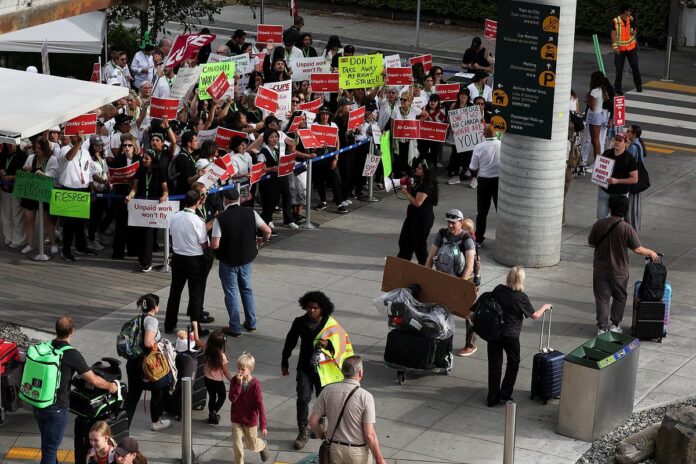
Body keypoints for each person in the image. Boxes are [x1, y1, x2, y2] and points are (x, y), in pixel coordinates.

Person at [32, 316, 118, 464]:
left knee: (47, 443)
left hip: (39, 404)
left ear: (56, 330)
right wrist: (111, 386)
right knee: (51, 448)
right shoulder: (71, 353)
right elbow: (93, 379)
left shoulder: (46, 347)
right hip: (57, 408)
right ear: (72, 331)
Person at [282, 291, 355, 450]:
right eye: (309, 307)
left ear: (322, 309)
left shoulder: (330, 324)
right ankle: (303, 432)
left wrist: (328, 344)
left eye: (315, 308)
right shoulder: (299, 322)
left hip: (324, 370)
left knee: (323, 398)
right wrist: (284, 360)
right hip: (304, 368)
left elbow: (341, 343)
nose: (312, 311)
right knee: (303, 398)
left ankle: (320, 420)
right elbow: (290, 341)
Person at [589, 195, 658, 334]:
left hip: (600, 269)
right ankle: (615, 325)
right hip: (619, 270)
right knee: (620, 297)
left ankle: (602, 328)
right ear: (625, 210)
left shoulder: (599, 224)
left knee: (602, 298)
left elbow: (591, 243)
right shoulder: (626, 228)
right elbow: (638, 249)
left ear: (609, 208)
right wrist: (651, 252)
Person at [484, 267, 552, 407]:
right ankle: (505, 394)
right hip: (511, 334)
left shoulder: (499, 289)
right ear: (521, 280)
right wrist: (545, 307)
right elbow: (534, 315)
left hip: (494, 332)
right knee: (513, 363)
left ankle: (492, 397)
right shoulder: (521, 297)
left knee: (495, 365)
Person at [210, 188, 271, 337]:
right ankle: (251, 323)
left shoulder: (220, 218)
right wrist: (262, 240)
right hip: (247, 259)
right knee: (247, 290)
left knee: (231, 293)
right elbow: (267, 230)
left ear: (225, 200)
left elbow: (215, 245)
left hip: (228, 261)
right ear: (238, 199)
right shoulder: (251, 212)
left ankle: (235, 327)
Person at [308, 356, 387, 464]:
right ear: (360, 372)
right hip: (357, 452)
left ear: (342, 371)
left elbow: (312, 421)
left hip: (333, 448)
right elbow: (369, 434)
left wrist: (322, 434)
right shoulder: (365, 397)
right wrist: (379, 459)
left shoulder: (327, 391)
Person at [424, 209, 479, 357]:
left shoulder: (467, 239)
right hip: (444, 277)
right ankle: (437, 340)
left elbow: (469, 267)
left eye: (453, 223)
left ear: (461, 222)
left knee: (468, 312)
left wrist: (459, 286)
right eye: (448, 222)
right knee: (437, 308)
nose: (450, 225)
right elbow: (431, 257)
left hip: (464, 279)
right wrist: (425, 276)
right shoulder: (442, 234)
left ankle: (471, 344)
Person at [164, 190, 210, 335]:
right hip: (194, 260)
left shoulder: (174, 217)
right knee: (195, 294)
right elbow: (203, 243)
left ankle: (169, 324)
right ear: (197, 202)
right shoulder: (198, 221)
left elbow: (173, 234)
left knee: (174, 292)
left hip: (178, 258)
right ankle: (196, 329)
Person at [123, 294, 171, 430]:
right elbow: (148, 342)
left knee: (132, 397)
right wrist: (158, 344)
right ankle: (156, 422)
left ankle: (123, 428)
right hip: (148, 365)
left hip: (133, 363)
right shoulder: (151, 321)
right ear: (155, 307)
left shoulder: (137, 319)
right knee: (158, 389)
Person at [125, 150, 169, 272]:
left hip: (153, 207)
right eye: (143, 158)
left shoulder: (159, 172)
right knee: (140, 233)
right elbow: (135, 188)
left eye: (147, 158)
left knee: (148, 235)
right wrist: (130, 196)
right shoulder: (140, 171)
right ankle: (142, 260)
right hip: (141, 206)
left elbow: (165, 189)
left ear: (152, 160)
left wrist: (164, 196)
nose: (144, 160)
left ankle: (147, 262)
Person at [57, 134, 98, 261]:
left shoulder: (85, 151)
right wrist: (79, 142)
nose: (80, 135)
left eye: (82, 134)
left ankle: (80, 247)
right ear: (71, 137)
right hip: (69, 189)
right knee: (69, 223)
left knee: (81, 222)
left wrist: (91, 189)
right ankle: (66, 250)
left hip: (83, 189)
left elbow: (88, 171)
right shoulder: (64, 149)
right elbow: (69, 157)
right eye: (77, 134)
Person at [228, 352, 270, 463]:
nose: (239, 371)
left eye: (242, 369)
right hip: (236, 418)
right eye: (238, 368)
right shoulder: (234, 380)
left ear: (250, 369)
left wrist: (263, 425)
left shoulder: (256, 385)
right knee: (237, 444)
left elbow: (260, 405)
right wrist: (238, 384)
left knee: (252, 445)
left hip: (250, 420)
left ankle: (263, 445)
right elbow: (232, 398)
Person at [396, 159, 438, 265]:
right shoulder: (420, 181)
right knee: (405, 241)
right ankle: (402, 262)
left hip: (421, 220)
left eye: (420, 168)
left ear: (425, 171)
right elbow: (415, 196)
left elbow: (418, 202)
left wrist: (405, 192)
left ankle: (424, 266)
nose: (416, 169)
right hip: (413, 217)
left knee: (419, 246)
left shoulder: (426, 185)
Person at [191, 322, 233, 424]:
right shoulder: (222, 357)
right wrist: (233, 381)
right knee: (222, 396)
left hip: (207, 379)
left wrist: (195, 326)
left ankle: (211, 415)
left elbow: (196, 340)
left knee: (212, 397)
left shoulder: (206, 348)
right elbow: (226, 371)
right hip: (218, 382)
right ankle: (213, 413)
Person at [470, 124, 500, 246]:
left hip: (484, 181)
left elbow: (473, 167)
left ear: (484, 133)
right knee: (501, 211)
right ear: (496, 133)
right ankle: (503, 236)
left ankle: (479, 239)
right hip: (498, 181)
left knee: (482, 212)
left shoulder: (479, 147)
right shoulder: (502, 145)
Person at [596, 132, 637, 219]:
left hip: (620, 194)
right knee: (601, 217)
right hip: (604, 191)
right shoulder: (607, 153)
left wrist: (617, 181)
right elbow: (599, 169)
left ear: (626, 143)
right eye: (615, 139)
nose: (617, 142)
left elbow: (634, 179)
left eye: (620, 140)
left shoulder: (629, 159)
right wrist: (598, 180)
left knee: (617, 220)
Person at [0, 142, 27, 250]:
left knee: (17, 215)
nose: (11, 145)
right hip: (4, 188)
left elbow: (25, 172)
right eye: (9, 143)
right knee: (6, 214)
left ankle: (19, 239)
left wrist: (10, 178)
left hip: (17, 188)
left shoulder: (23, 156)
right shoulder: (2, 155)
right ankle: (8, 236)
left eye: (13, 143)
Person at [611, 4, 642, 94]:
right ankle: (617, 88)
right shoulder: (616, 21)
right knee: (619, 69)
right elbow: (613, 35)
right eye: (629, 10)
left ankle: (639, 86)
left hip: (631, 48)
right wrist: (615, 47)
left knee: (635, 67)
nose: (631, 12)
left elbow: (635, 28)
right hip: (620, 49)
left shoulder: (631, 19)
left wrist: (634, 32)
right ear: (625, 11)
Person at [625, 125, 646, 231]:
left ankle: (630, 229)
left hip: (632, 181)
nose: (626, 132)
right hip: (637, 180)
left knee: (630, 206)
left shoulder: (633, 147)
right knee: (635, 206)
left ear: (634, 134)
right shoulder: (638, 144)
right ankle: (634, 228)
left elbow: (628, 164)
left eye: (628, 131)